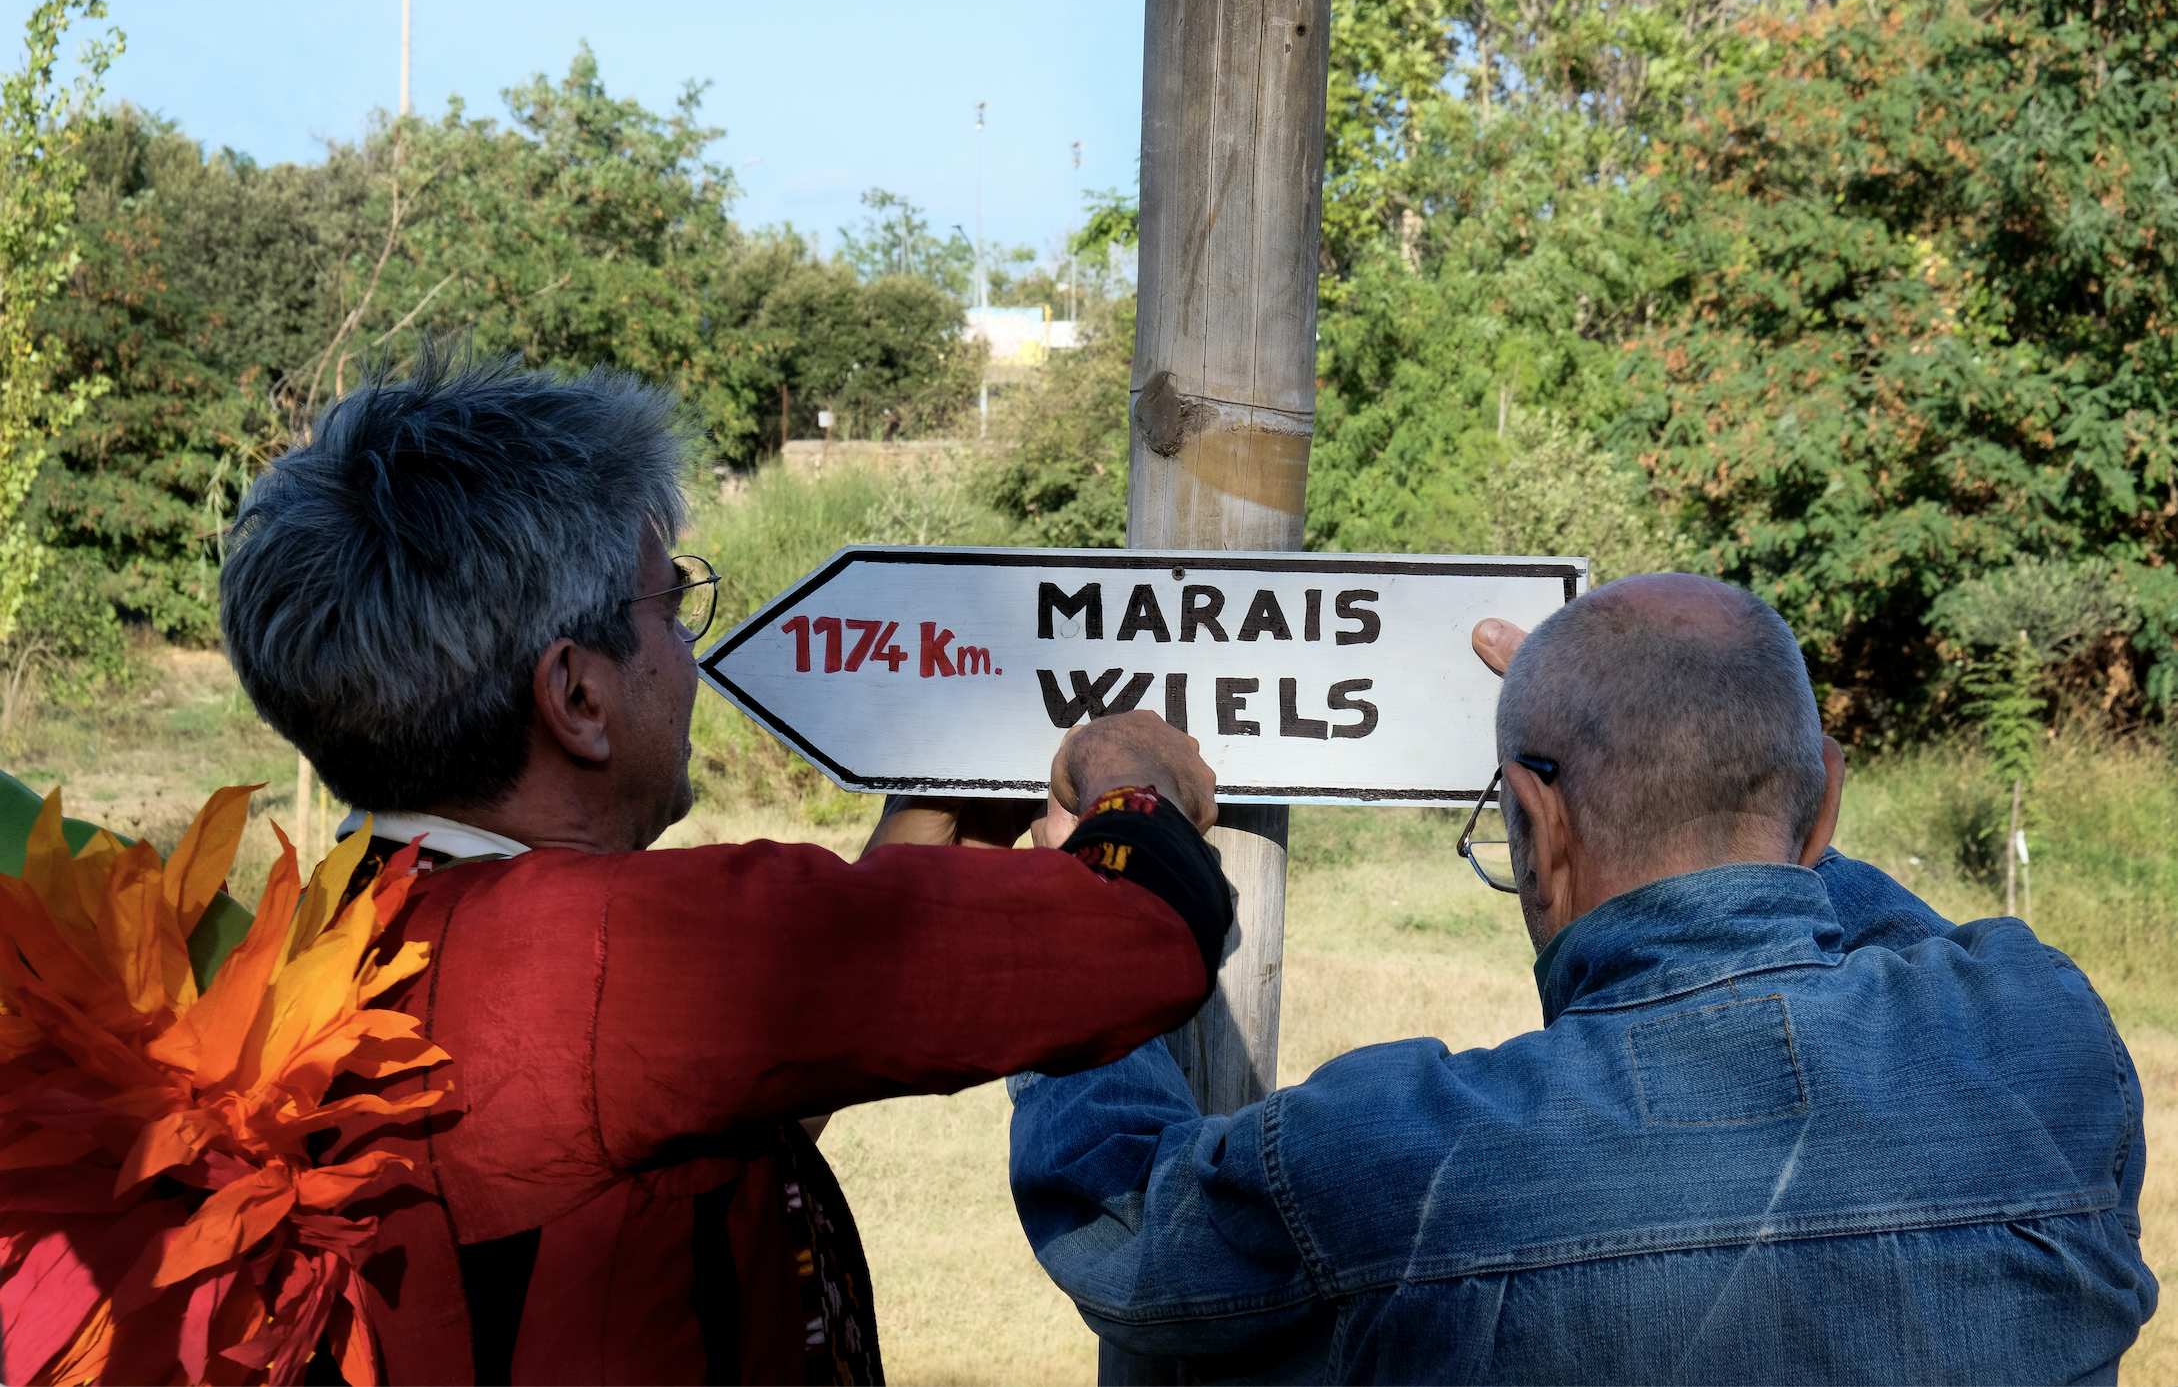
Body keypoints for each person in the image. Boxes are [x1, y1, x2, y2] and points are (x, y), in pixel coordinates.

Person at [215, 354, 1233, 1385]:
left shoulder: (325, 926)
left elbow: (676, 1132)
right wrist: (1130, 777)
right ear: (576, 696)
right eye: (670, 610)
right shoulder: (607, 953)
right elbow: (1146, 933)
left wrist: (927, 828)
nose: (689, 659)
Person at [1008, 573, 2157, 1384]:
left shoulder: (1394, 1161)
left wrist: (1119, 846)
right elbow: (1868, 919)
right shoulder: (2050, 1040)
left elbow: (1122, 1215)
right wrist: (1710, 757)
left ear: (1532, 823)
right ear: (1828, 805)